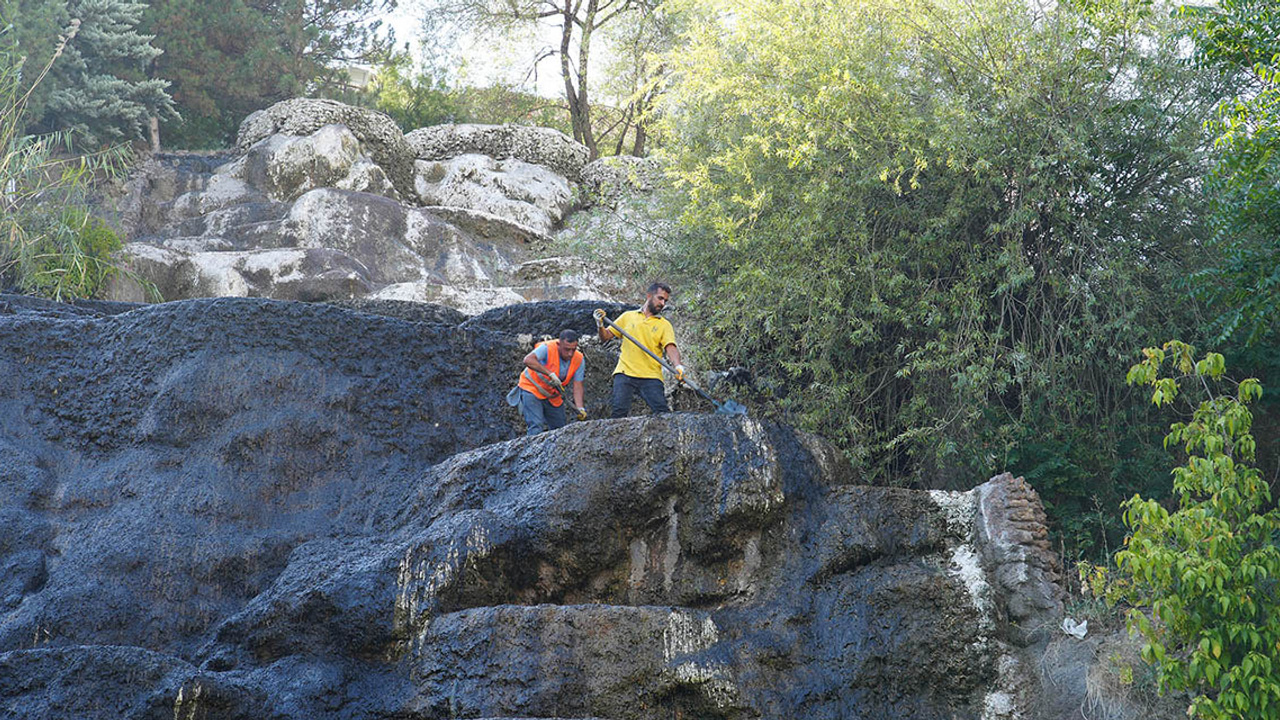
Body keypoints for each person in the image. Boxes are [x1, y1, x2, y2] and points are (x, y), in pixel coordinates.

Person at [595, 282, 684, 418]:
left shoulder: (664, 325)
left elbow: (670, 347)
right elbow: (605, 337)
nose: (663, 303)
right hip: (625, 372)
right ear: (649, 296)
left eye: (665, 300)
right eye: (660, 298)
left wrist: (678, 366)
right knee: (618, 412)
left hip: (651, 376)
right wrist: (600, 324)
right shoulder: (628, 316)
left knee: (663, 413)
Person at [510, 329, 587, 435]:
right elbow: (528, 360)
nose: (570, 354)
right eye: (566, 349)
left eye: (573, 350)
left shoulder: (579, 359)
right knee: (536, 425)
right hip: (532, 388)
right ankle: (532, 451)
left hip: (552, 395)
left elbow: (578, 385)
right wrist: (550, 373)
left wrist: (580, 408)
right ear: (559, 344)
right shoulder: (547, 348)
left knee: (560, 429)